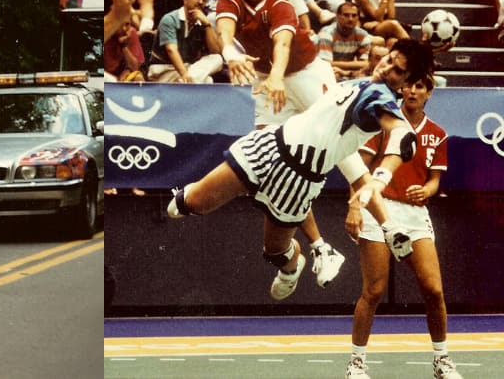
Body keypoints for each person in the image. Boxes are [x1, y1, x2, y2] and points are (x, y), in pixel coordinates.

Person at [168, 40, 435, 301]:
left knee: (276, 252)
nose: (387, 68)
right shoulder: (358, 83)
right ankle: (319, 250)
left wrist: (381, 179)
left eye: (398, 71)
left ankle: (292, 268)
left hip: (297, 181)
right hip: (270, 147)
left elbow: (402, 135)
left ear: (406, 82)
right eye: (389, 59)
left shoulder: (380, 99)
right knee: (185, 204)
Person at [215, 0, 347, 291]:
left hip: (305, 73)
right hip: (266, 80)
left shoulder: (280, 3)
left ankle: (377, 214)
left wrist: (276, 76)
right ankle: (315, 250)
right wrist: (231, 55)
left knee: (343, 150)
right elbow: (225, 34)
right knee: (270, 168)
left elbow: (283, 45)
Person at [345, 74, 463, 379]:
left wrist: (427, 191)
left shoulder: (437, 134)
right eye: (409, 85)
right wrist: (355, 206)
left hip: (415, 216)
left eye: (420, 87)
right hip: (378, 208)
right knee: (374, 290)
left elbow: (434, 181)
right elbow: (358, 170)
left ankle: (442, 360)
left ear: (429, 93)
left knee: (433, 289)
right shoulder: (384, 122)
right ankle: (356, 364)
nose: (412, 91)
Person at [147, 0, 222, 83]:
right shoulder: (170, 19)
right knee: (206, 81)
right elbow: (171, 50)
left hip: (186, 69)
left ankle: (186, 82)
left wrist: (207, 25)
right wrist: (184, 74)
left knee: (217, 59)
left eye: (204, 0)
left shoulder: (202, 22)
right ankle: (187, 81)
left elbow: (215, 51)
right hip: (163, 69)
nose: (200, 2)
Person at [316, 2, 381, 80]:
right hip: (323, 72)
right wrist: (355, 65)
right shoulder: (327, 34)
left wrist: (344, 70)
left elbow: (365, 64)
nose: (350, 19)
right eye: (346, 15)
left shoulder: (362, 35)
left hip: (346, 72)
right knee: (334, 76)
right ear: (338, 16)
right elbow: (325, 64)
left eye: (354, 15)